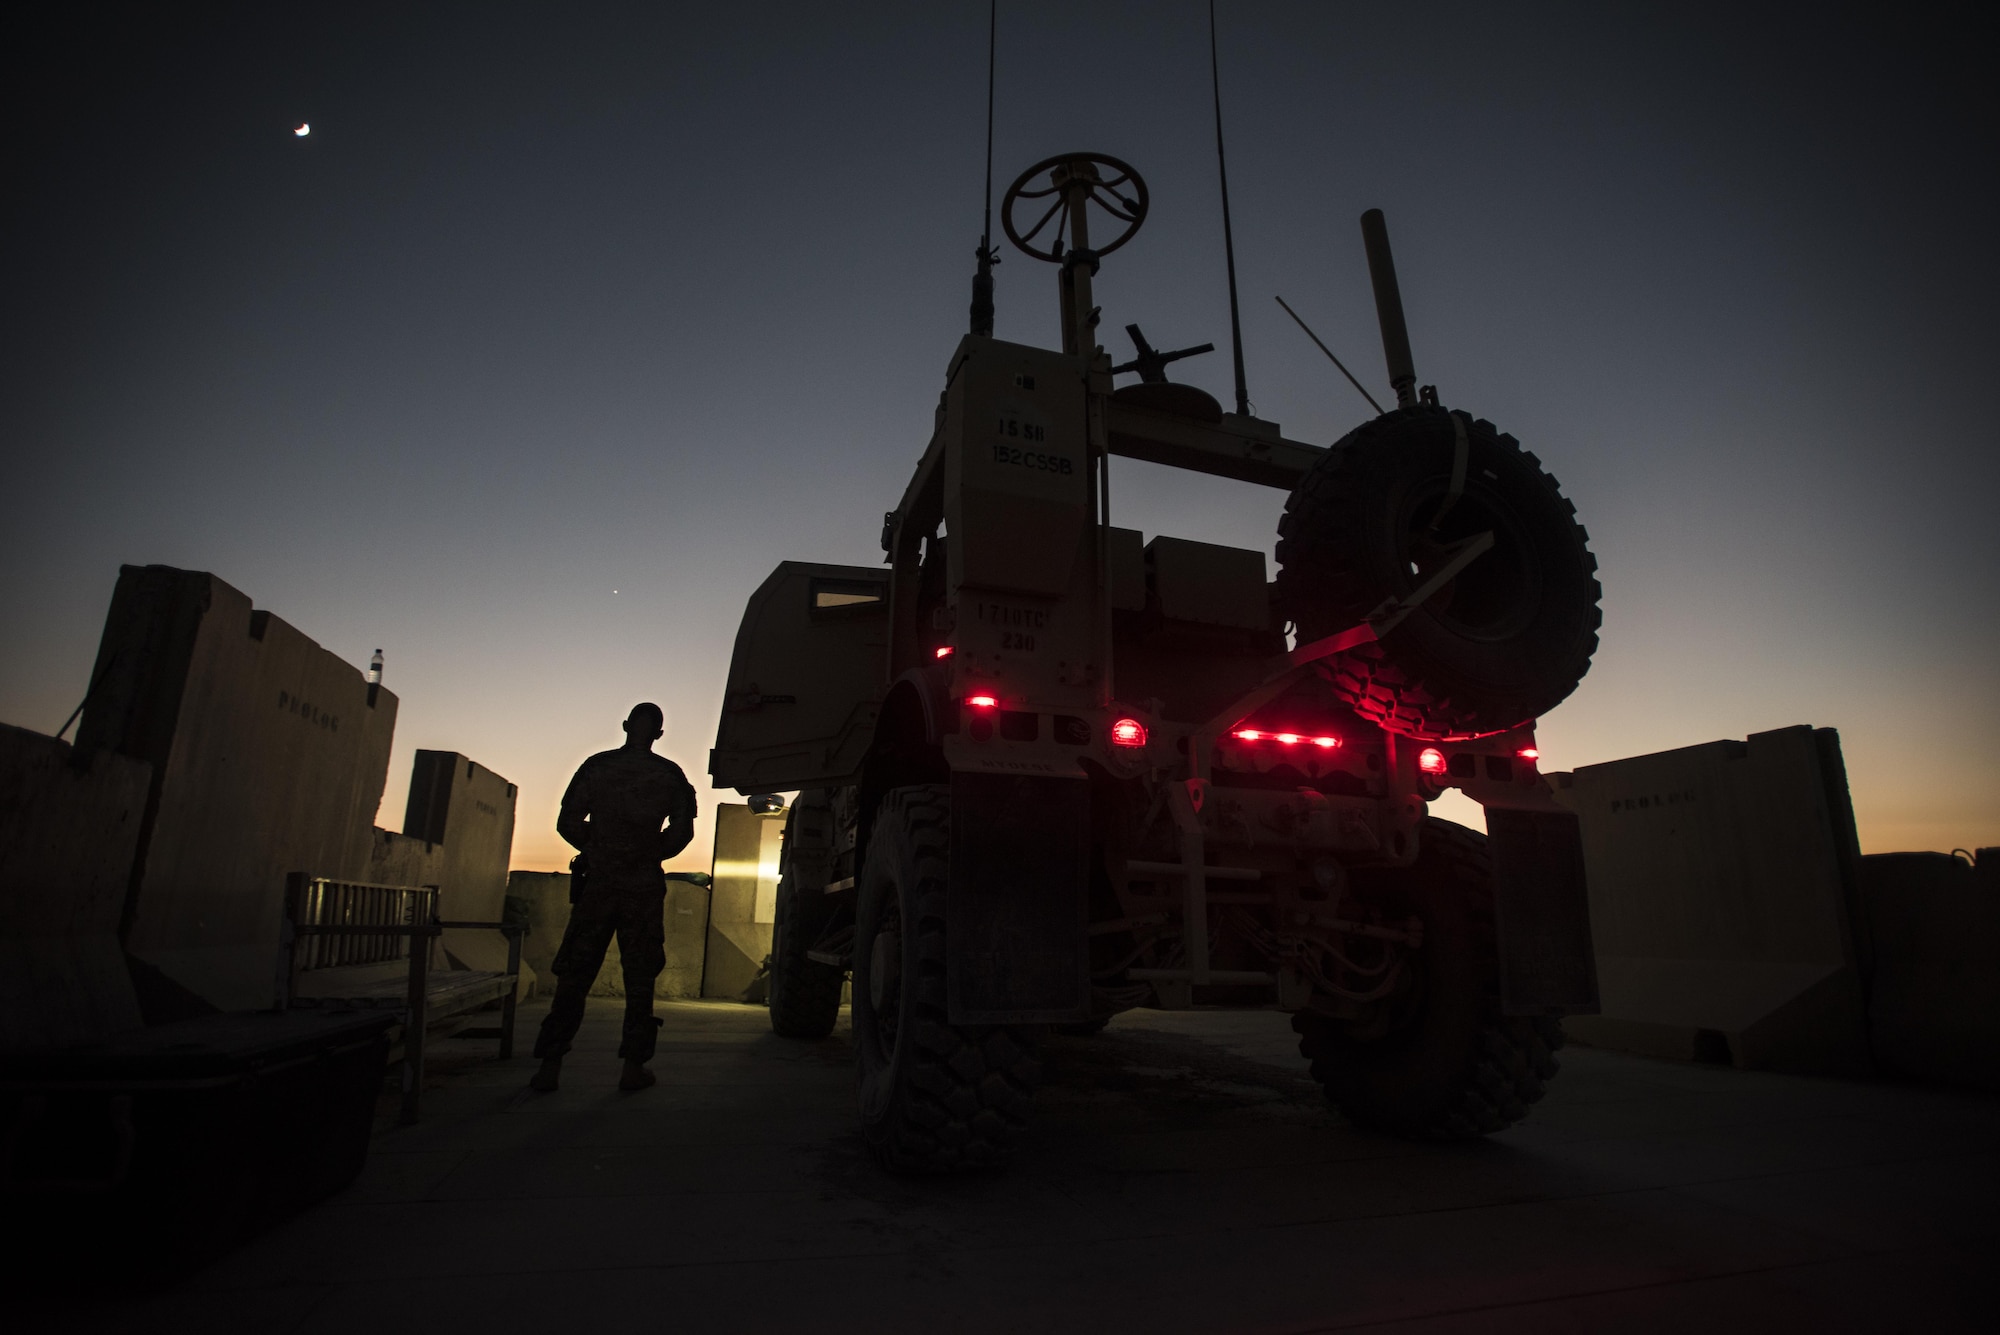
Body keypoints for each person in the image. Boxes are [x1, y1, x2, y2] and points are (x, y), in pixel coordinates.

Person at [530, 702, 698, 1092]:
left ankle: (549, 1067)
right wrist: (647, 852)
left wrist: (601, 849)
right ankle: (632, 1069)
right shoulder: (669, 775)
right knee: (640, 981)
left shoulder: (597, 766)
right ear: (658, 734)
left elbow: (567, 821)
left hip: (600, 886)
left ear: (625, 726)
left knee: (574, 977)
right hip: (641, 888)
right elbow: (681, 832)